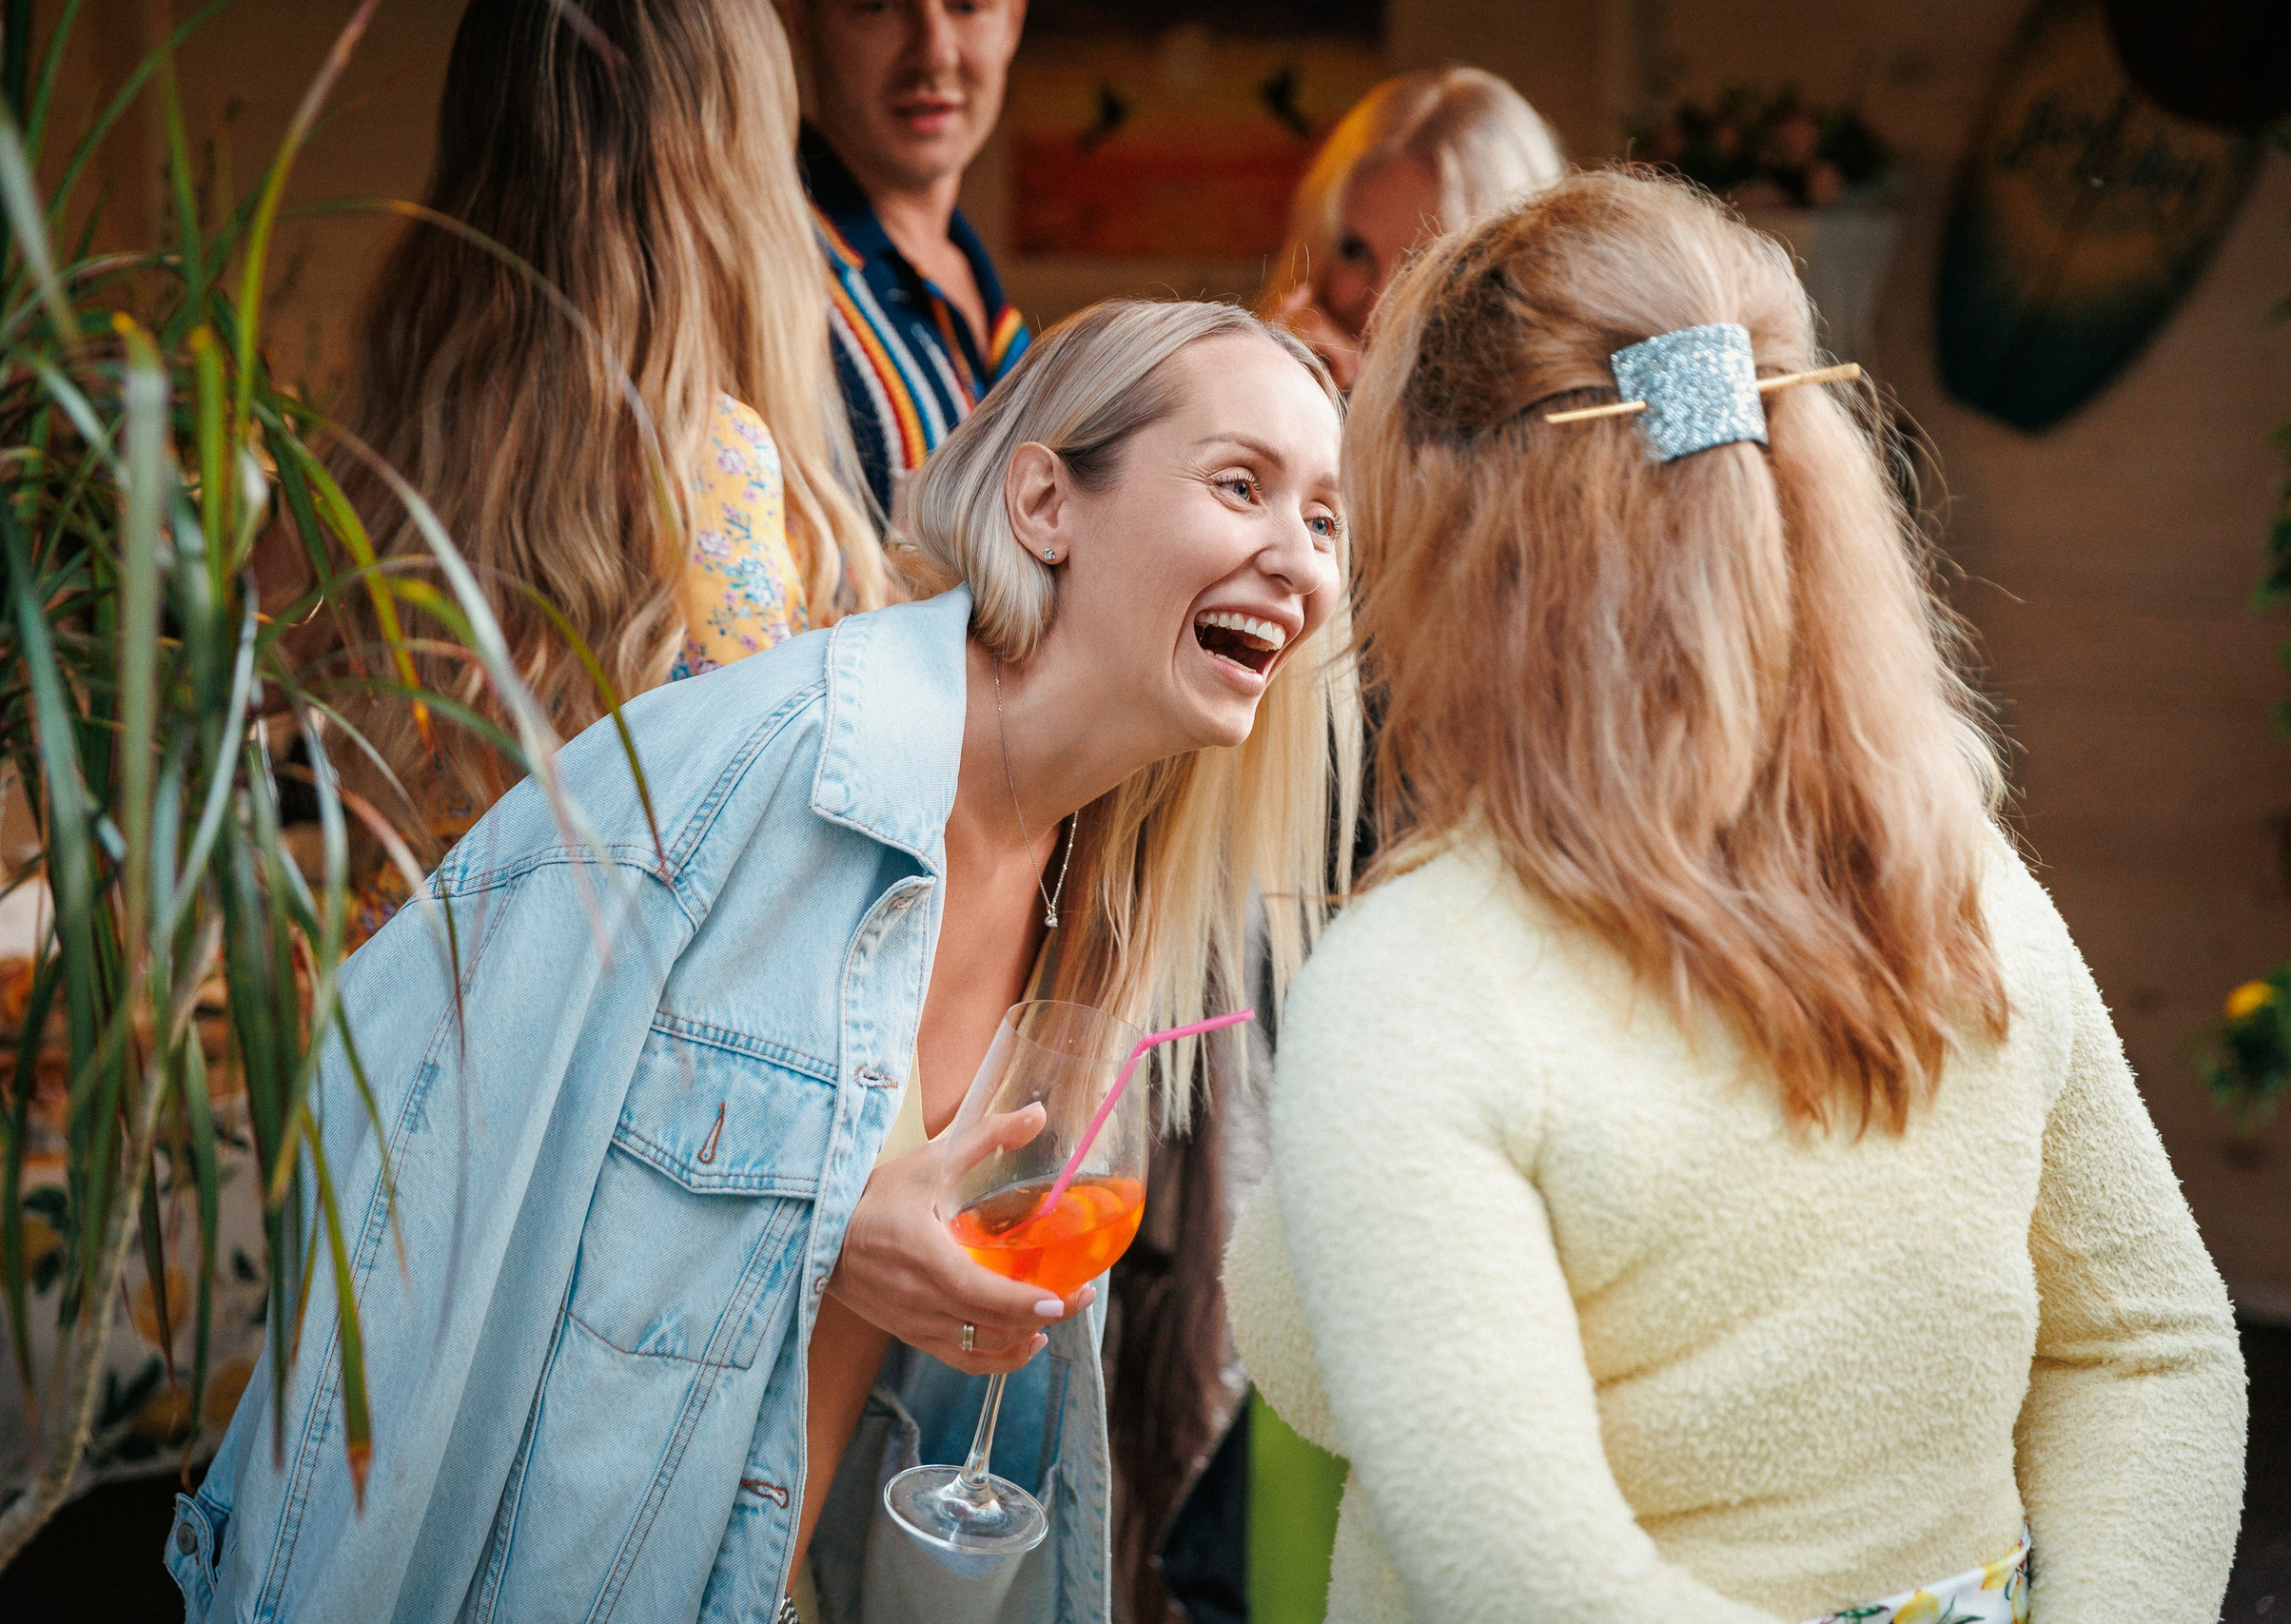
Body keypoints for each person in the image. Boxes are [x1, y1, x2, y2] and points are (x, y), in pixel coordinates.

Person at [166, 298, 1357, 1624]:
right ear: (1044, 503)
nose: (1296, 561)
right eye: (1240, 484)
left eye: (1322, 519)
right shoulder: (748, 769)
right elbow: (394, 1129)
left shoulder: (1105, 890)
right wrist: (825, 1233)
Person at [1225, 170, 2247, 1623]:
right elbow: (2149, 1348)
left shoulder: (1424, 983)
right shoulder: (1955, 877)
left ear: (1453, 543)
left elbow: (1511, 1560)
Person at [322, 0, 884, 860]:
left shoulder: (384, 450)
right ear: (743, 182)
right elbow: (763, 860)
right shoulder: (714, 463)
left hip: (386, 981)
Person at [789, 0, 1032, 521]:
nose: (935, 53)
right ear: (800, 22)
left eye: (968, 6)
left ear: (1013, 22)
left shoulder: (989, 298)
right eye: (880, 6)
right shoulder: (758, 271)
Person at [1259, 67, 1563, 390]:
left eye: (1426, 264)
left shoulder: (1587, 420)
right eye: (1355, 250)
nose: (1378, 313)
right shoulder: (1282, 376)